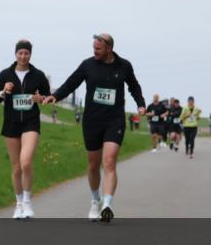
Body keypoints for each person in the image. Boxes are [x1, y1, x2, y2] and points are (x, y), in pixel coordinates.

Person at [44, 34, 145, 223]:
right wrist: (55, 96)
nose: (94, 51)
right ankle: (95, 200)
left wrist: (140, 104)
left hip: (114, 120)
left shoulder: (124, 66)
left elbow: (134, 86)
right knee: (93, 164)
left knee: (109, 161)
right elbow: (71, 83)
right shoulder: (87, 65)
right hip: (92, 120)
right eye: (93, 48)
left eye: (98, 49)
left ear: (109, 48)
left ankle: (107, 204)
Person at [0, 40, 51, 220]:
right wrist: (3, 92)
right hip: (11, 123)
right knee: (16, 168)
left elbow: (48, 97)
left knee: (26, 163)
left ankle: (27, 202)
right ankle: (18, 204)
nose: (23, 56)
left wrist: (40, 98)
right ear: (15, 54)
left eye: (27, 53)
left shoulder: (38, 75)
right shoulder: (5, 74)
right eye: (20, 53)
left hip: (31, 122)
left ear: (31, 54)